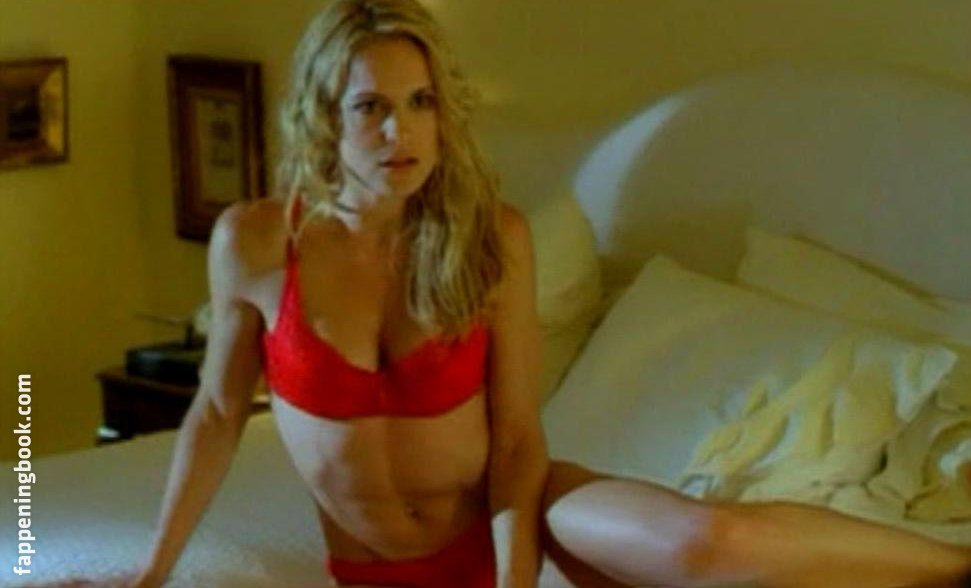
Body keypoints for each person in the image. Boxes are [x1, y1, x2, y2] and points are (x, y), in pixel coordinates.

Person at [126, 1, 971, 587]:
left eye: (420, 103)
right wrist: (150, 575)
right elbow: (217, 415)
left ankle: (952, 562)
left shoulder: (491, 238)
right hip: (377, 571)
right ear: (323, 118)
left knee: (712, 541)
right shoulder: (257, 242)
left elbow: (518, 440)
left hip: (522, 530)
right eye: (370, 107)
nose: (399, 131)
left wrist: (513, 580)